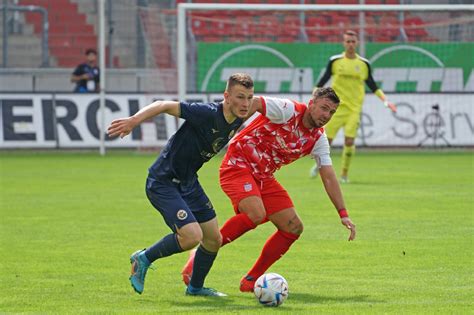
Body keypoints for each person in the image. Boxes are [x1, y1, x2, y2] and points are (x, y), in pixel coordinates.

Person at [182, 87, 357, 292]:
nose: (326, 115)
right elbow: (255, 102)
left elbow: (328, 176)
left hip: (263, 177)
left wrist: (343, 213)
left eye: (331, 112)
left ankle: (251, 280)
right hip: (237, 165)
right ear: (311, 104)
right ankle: (201, 252)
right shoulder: (288, 110)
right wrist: (227, 122)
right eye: (324, 108)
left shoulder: (318, 139)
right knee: (256, 214)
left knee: (293, 226)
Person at [107, 73, 255, 297]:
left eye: (249, 98)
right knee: (191, 236)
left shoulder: (238, 116)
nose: (245, 104)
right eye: (240, 97)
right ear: (226, 96)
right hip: (163, 181)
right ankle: (143, 258)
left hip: (188, 182)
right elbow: (163, 105)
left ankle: (195, 288)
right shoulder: (206, 113)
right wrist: (133, 121)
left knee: (214, 239)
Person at [309, 30, 397, 183]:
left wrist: (385, 101)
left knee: (349, 142)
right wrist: (313, 98)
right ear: (344, 43)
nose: (350, 44)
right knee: (326, 142)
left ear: (357, 43)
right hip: (334, 109)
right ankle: (319, 165)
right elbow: (321, 82)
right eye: (347, 41)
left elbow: (373, 86)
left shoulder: (363, 64)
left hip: (353, 109)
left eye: (353, 41)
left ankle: (344, 175)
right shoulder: (335, 61)